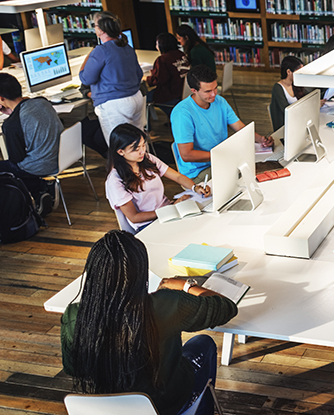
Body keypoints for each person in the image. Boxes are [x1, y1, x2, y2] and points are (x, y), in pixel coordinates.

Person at [61, 230, 237, 415]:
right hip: (165, 406)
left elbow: (73, 369)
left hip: (108, 408)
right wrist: (186, 286)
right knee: (204, 343)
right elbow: (226, 307)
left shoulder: (74, 315)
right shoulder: (166, 304)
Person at [171, 64, 273, 182]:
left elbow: (240, 127)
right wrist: (221, 155)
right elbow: (186, 155)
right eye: (208, 91)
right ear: (194, 91)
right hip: (199, 171)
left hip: (221, 160)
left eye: (215, 88)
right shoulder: (182, 114)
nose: (214, 94)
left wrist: (261, 139)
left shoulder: (219, 101)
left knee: (261, 168)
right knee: (247, 176)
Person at [105, 124, 210, 232]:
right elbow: (134, 217)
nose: (142, 151)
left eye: (143, 145)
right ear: (120, 152)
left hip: (168, 213)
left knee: (204, 223)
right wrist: (170, 209)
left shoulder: (147, 159)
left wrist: (195, 188)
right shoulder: (115, 181)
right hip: (148, 224)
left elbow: (177, 177)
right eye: (136, 149)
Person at [0, 72, 62, 215]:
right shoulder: (42, 101)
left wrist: (11, 120)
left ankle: (39, 189)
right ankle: (41, 189)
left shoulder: (10, 124)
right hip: (61, 157)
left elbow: (17, 159)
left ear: (1, 99)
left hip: (40, 166)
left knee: (9, 167)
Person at [79, 11, 144, 143]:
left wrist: (89, 57)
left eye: (94, 25)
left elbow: (86, 79)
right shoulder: (127, 47)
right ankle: (146, 164)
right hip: (136, 99)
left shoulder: (101, 51)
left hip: (115, 105)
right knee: (138, 143)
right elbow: (139, 75)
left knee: (120, 148)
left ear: (102, 30)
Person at [146, 33, 190, 117]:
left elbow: (158, 80)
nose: (156, 47)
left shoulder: (162, 60)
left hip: (171, 94)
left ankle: (148, 127)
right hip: (183, 92)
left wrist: (146, 78)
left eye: (156, 44)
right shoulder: (181, 54)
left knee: (143, 98)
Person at [270, 55, 306, 130]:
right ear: (289, 72)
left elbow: (307, 97)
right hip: (286, 127)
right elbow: (286, 110)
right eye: (298, 72)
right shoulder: (278, 88)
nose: (301, 74)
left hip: (297, 122)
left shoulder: (295, 84)